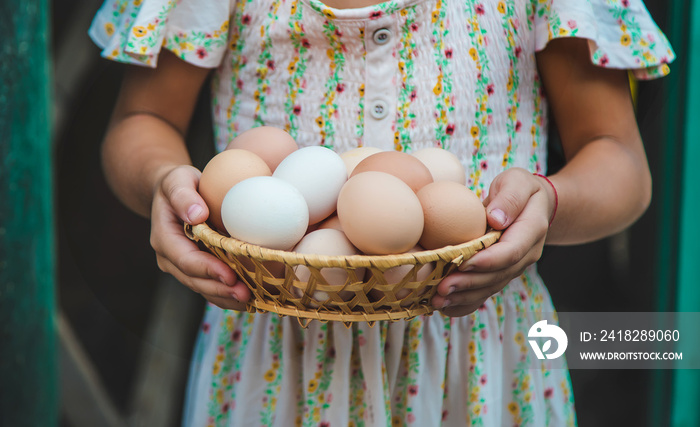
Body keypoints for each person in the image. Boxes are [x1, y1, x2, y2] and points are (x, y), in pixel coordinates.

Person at [89, 0, 674, 424]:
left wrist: (549, 200)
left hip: (476, 361)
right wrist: (165, 183)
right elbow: (143, 121)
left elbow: (618, 161)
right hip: (272, 357)